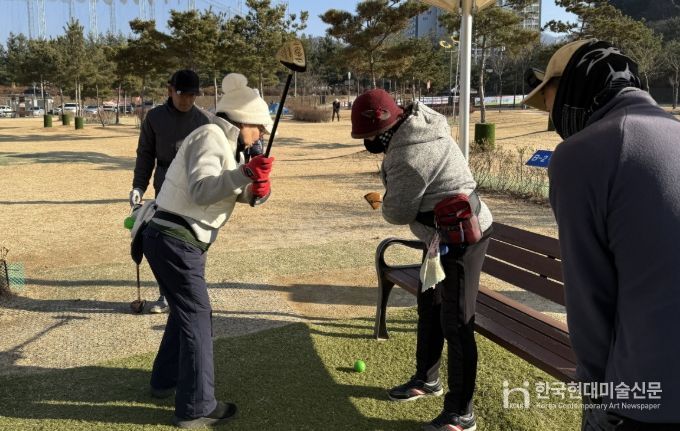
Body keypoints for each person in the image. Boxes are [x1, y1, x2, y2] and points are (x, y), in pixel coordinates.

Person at [523, 39, 680, 429]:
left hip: (645, 393)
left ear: (571, 87)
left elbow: (589, 297)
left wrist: (597, 395)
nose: (550, 113)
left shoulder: (581, 154)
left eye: (547, 100)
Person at [350, 89, 493, 431]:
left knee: (456, 321)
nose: (369, 142)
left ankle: (461, 413)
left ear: (385, 129)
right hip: (440, 237)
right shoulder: (420, 124)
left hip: (462, 238)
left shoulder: (408, 156)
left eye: (370, 135)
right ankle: (427, 379)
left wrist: (386, 199)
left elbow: (397, 213)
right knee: (430, 305)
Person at [141, 72, 274, 428]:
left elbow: (230, 190)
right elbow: (202, 190)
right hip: (175, 239)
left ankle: (164, 380)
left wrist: (257, 191)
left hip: (175, 240)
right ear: (243, 122)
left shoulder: (226, 145)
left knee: (184, 313)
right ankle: (196, 408)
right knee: (198, 318)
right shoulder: (209, 136)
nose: (262, 134)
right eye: (259, 128)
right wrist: (246, 174)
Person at [129, 69, 211, 314]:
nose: (187, 100)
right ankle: (166, 295)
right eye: (182, 94)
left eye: (192, 95)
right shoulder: (154, 118)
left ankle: (192, 293)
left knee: (194, 241)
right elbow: (145, 154)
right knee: (165, 242)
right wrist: (138, 185)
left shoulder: (204, 121)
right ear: (170, 90)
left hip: (195, 187)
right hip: (164, 184)